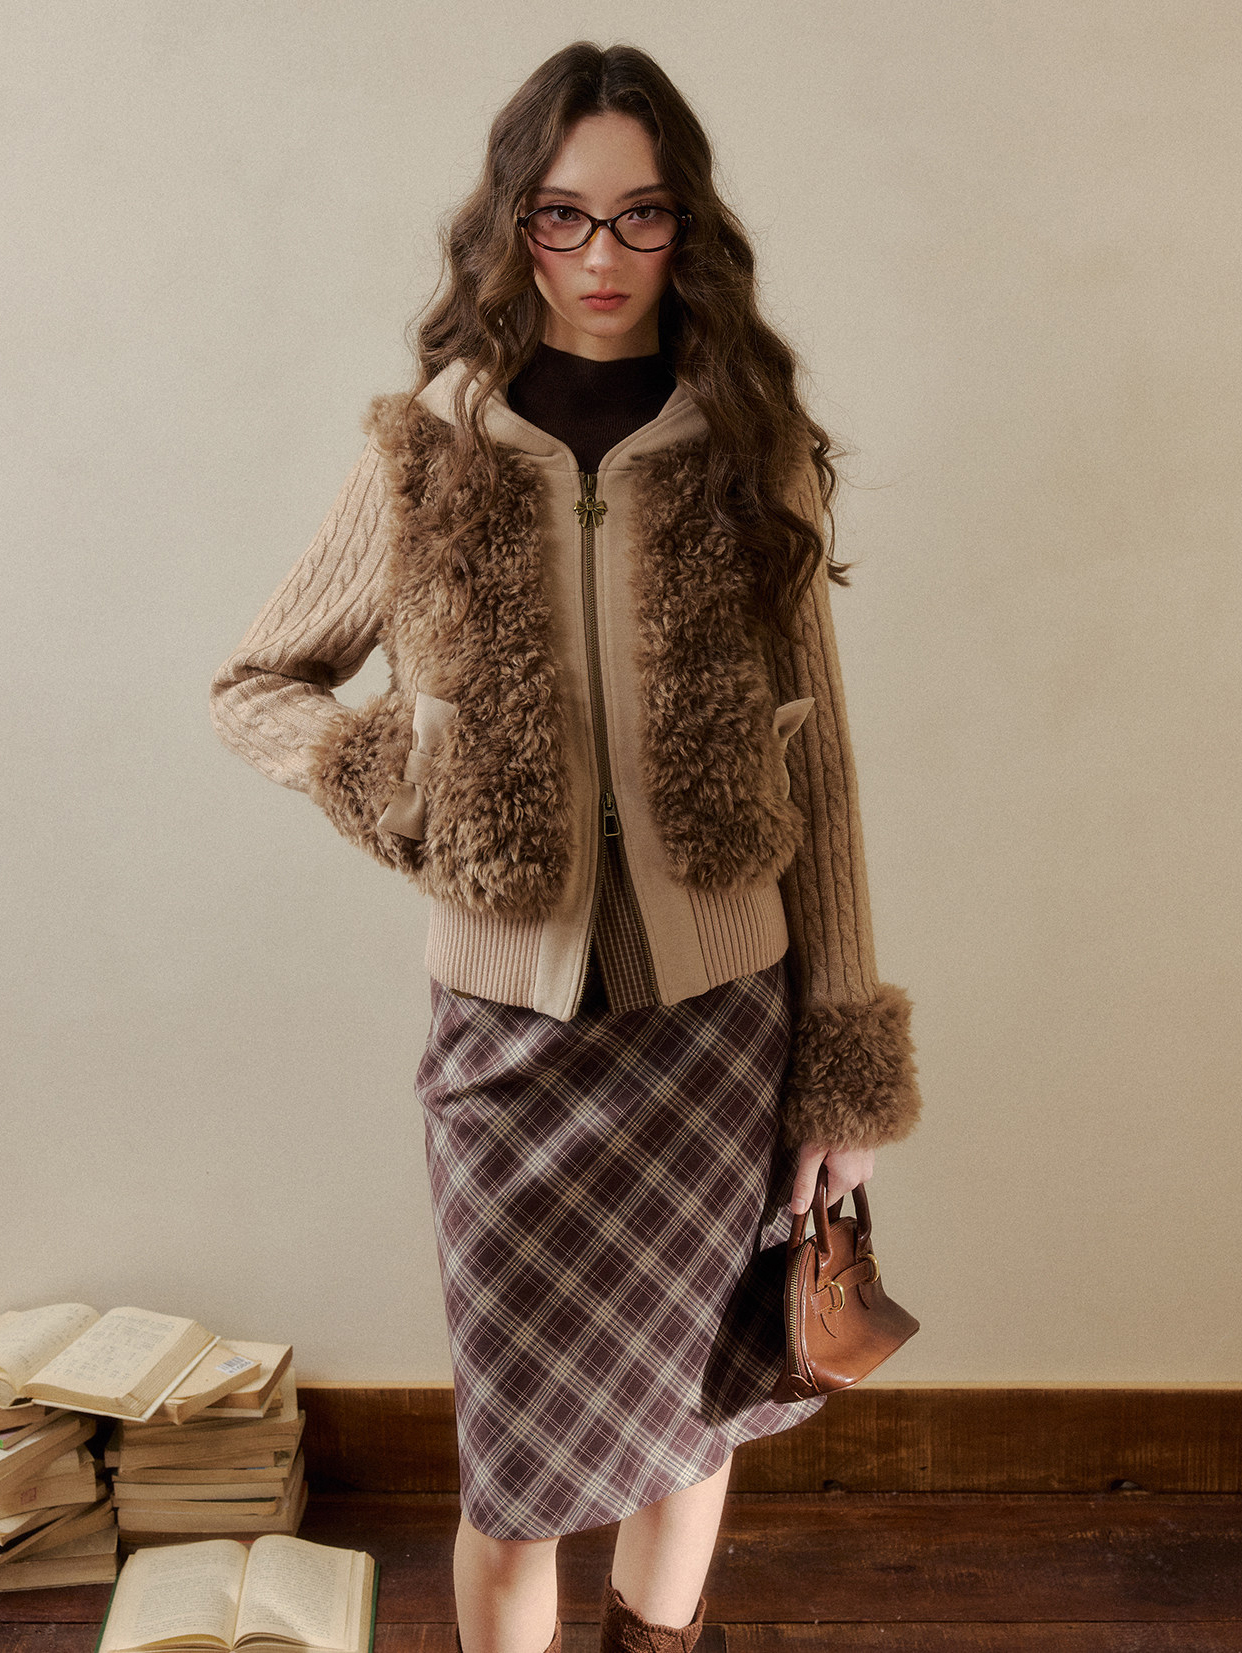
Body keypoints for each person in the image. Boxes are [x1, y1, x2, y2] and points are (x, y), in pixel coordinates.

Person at [210, 39, 923, 1653]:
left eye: (640, 215)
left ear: (686, 228)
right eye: (562, 216)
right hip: (506, 1043)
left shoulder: (747, 448)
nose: (602, 256)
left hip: (718, 1027)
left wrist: (842, 1070)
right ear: (511, 226)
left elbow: (827, 774)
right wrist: (389, 774)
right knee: (516, 1477)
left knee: (694, 1419)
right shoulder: (429, 449)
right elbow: (256, 682)